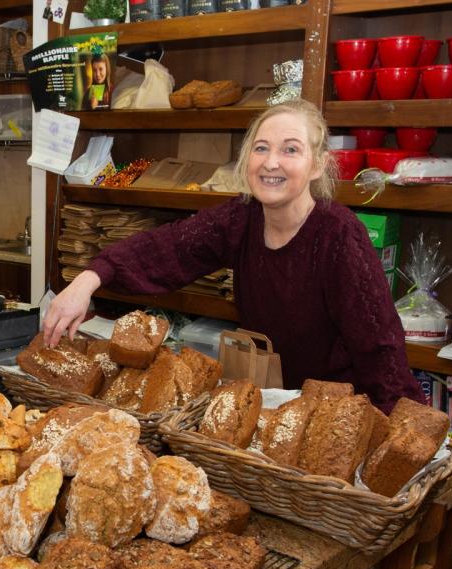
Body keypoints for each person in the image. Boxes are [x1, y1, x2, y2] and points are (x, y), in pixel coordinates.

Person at [44, 100, 423, 414]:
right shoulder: (241, 217)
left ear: (317, 164)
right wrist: (89, 278)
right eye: (261, 148)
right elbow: (168, 246)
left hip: (335, 411)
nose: (271, 162)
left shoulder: (340, 235)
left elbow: (380, 346)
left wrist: (403, 425)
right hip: (270, 402)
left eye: (290, 149)